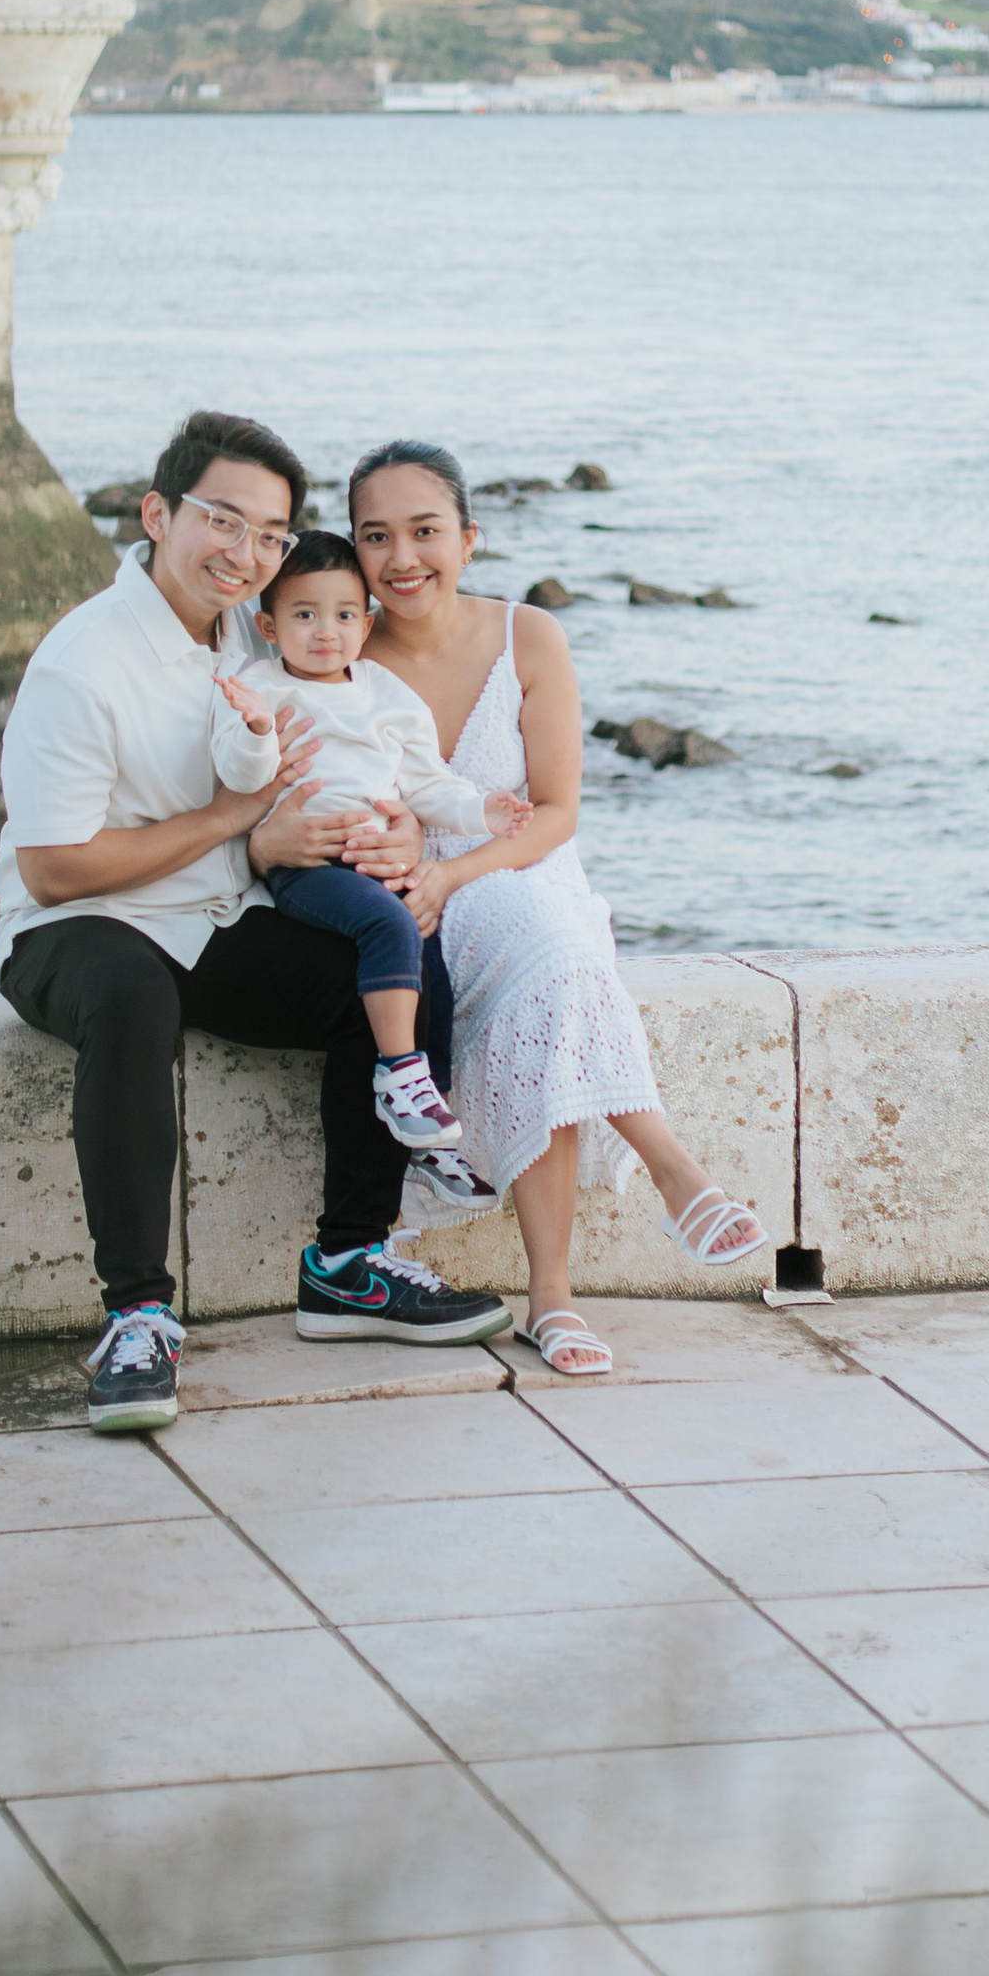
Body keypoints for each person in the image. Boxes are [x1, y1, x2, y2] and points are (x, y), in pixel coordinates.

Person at [0, 408, 512, 1434]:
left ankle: (350, 1264)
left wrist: (397, 831)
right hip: (83, 923)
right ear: (156, 513)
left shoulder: (253, 625)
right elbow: (54, 867)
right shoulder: (83, 662)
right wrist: (234, 820)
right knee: (131, 991)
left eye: (270, 533)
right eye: (222, 520)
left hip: (219, 911)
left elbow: (349, 746)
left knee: (398, 952)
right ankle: (136, 1316)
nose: (247, 552)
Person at [349, 438, 764, 1380]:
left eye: (425, 531)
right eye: (377, 537)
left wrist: (463, 875)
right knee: (559, 969)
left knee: (556, 953)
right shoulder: (343, 648)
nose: (403, 558)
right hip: (404, 886)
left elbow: (560, 813)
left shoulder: (526, 637)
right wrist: (426, 874)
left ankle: (579, 1270)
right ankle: (610, 1238)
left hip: (525, 867)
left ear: (469, 537)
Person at [214, 527, 533, 1154]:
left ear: (365, 625)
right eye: (305, 614)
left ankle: (429, 1133)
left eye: (342, 615)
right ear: (270, 626)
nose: (325, 631)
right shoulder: (263, 689)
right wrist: (255, 730)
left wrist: (480, 812)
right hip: (310, 865)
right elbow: (240, 776)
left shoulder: (385, 694)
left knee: (428, 966)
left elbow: (425, 784)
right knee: (389, 926)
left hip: (377, 860)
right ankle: (397, 1072)